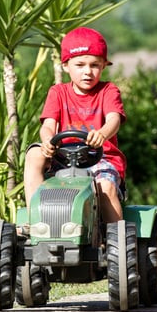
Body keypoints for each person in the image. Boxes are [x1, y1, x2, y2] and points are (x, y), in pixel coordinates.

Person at [23, 27, 126, 223]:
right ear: (66, 66)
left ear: (104, 65)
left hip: (100, 159)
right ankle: (35, 222)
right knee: (34, 154)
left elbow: (114, 119)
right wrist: (47, 141)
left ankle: (115, 241)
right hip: (62, 158)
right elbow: (48, 126)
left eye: (94, 65)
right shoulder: (58, 92)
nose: (88, 72)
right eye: (80, 65)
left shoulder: (108, 90)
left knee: (105, 187)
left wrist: (102, 134)